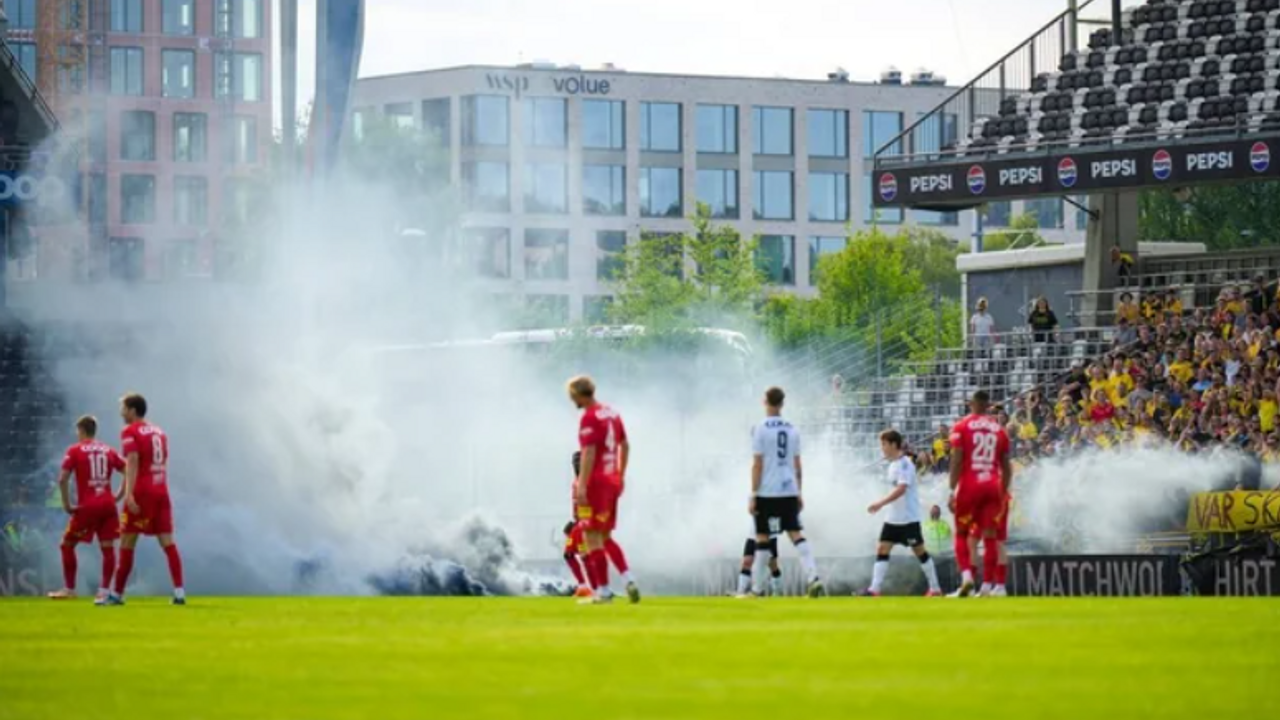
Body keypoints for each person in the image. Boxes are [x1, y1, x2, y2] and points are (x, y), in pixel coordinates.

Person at [105, 393, 185, 606]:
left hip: (142, 492)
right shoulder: (160, 432)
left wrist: (129, 493)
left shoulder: (129, 431)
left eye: (123, 408)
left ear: (132, 410)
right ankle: (179, 592)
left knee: (127, 542)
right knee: (168, 543)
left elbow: (132, 461)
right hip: (161, 491)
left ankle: (116, 595)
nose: (121, 413)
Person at [747, 386, 823, 598]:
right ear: (782, 404)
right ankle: (813, 578)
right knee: (796, 534)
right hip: (788, 489)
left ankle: (757, 589)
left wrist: (753, 493)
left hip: (767, 491)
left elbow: (757, 464)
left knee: (762, 538)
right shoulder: (792, 429)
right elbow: (798, 464)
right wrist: (799, 492)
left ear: (765, 401)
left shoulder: (760, 428)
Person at [569, 376, 639, 605]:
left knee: (591, 536)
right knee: (606, 535)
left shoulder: (589, 418)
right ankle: (629, 579)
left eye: (572, 396)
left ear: (578, 394)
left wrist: (581, 484)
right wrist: (620, 474)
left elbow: (588, 453)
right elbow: (625, 444)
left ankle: (604, 591)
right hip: (612, 481)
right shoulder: (612, 413)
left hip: (595, 483)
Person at [47, 416, 125, 603]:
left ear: (81, 430)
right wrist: (119, 495)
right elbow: (128, 470)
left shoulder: (74, 450)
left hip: (88, 506)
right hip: (108, 505)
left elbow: (62, 479)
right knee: (108, 549)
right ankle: (104, 591)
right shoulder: (108, 450)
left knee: (67, 545)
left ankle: (69, 589)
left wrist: (66, 504)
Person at [859, 430, 943, 597]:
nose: (882, 448)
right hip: (893, 519)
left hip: (907, 519)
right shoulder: (892, 465)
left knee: (920, 551)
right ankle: (874, 589)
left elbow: (902, 489)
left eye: (883, 444)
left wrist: (880, 503)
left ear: (892, 444)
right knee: (883, 548)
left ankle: (935, 588)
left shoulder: (905, 464)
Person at [948, 390, 1013, 598]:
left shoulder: (962, 426)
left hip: (970, 486)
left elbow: (957, 460)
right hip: (994, 487)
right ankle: (986, 587)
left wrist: (951, 489)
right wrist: (1002, 493)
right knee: (990, 538)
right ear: (988, 405)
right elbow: (1007, 468)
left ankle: (968, 578)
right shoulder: (999, 430)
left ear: (972, 404)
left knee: (961, 534)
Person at [567, 450, 637, 600]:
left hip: (586, 517)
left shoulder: (582, 481)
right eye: (575, 462)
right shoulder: (584, 479)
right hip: (596, 508)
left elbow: (583, 506)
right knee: (598, 545)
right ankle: (624, 580)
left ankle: (594, 589)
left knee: (587, 551)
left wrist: (581, 523)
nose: (577, 465)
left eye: (579, 462)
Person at [733, 531, 783, 597]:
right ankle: (740, 591)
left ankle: (777, 591)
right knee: (746, 562)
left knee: (772, 564)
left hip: (768, 536)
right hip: (752, 536)